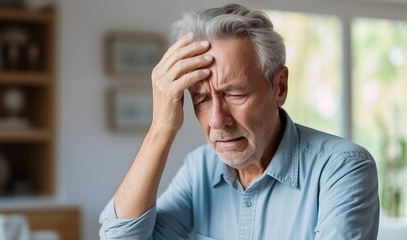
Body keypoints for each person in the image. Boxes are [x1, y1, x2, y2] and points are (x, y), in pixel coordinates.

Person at [99, 3, 379, 240]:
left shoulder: (342, 168)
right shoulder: (199, 170)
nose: (218, 120)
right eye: (201, 99)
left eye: (235, 94)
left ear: (279, 87)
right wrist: (160, 128)